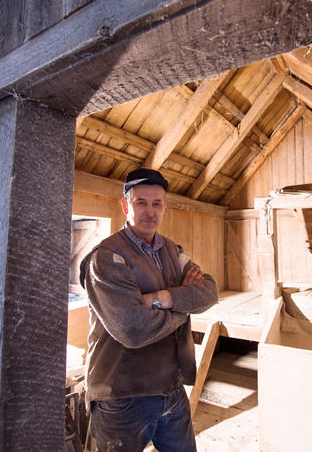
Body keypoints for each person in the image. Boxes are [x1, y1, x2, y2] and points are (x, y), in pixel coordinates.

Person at [79, 168, 218, 451]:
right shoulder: (106, 258)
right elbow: (132, 329)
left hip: (171, 388)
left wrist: (161, 299)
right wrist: (183, 308)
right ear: (125, 205)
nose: (149, 211)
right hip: (121, 397)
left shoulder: (172, 251)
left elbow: (209, 292)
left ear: (165, 208)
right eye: (141, 202)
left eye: (157, 204)